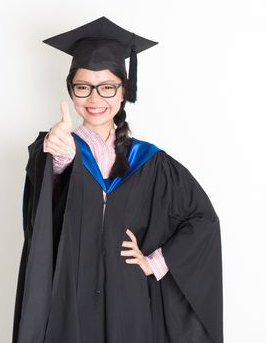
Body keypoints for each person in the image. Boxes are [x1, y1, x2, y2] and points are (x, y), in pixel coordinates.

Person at [12, 17, 223, 343]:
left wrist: (156, 262)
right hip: (72, 298)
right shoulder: (57, 148)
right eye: (82, 87)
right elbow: (41, 222)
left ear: (124, 90)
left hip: (130, 297)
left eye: (107, 87)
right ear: (71, 90)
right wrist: (59, 162)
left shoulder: (151, 162)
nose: (95, 99)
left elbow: (202, 219)